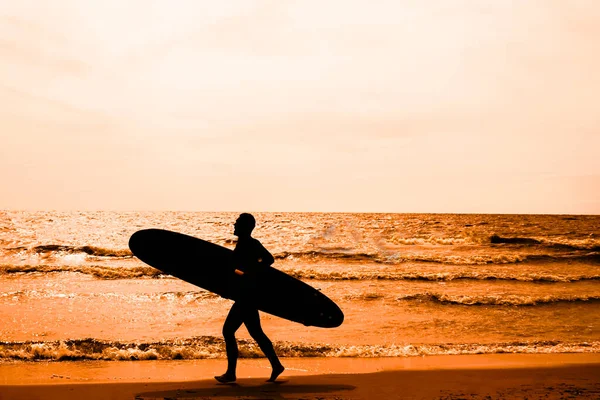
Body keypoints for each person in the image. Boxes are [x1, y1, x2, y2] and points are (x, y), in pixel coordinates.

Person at [214, 213, 285, 383]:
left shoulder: (251, 243)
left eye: (238, 223)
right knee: (256, 333)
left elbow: (269, 259)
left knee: (228, 331)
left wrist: (250, 273)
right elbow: (237, 269)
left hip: (247, 296)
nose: (234, 224)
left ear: (246, 227)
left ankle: (231, 373)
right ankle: (276, 365)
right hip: (246, 295)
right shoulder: (244, 244)